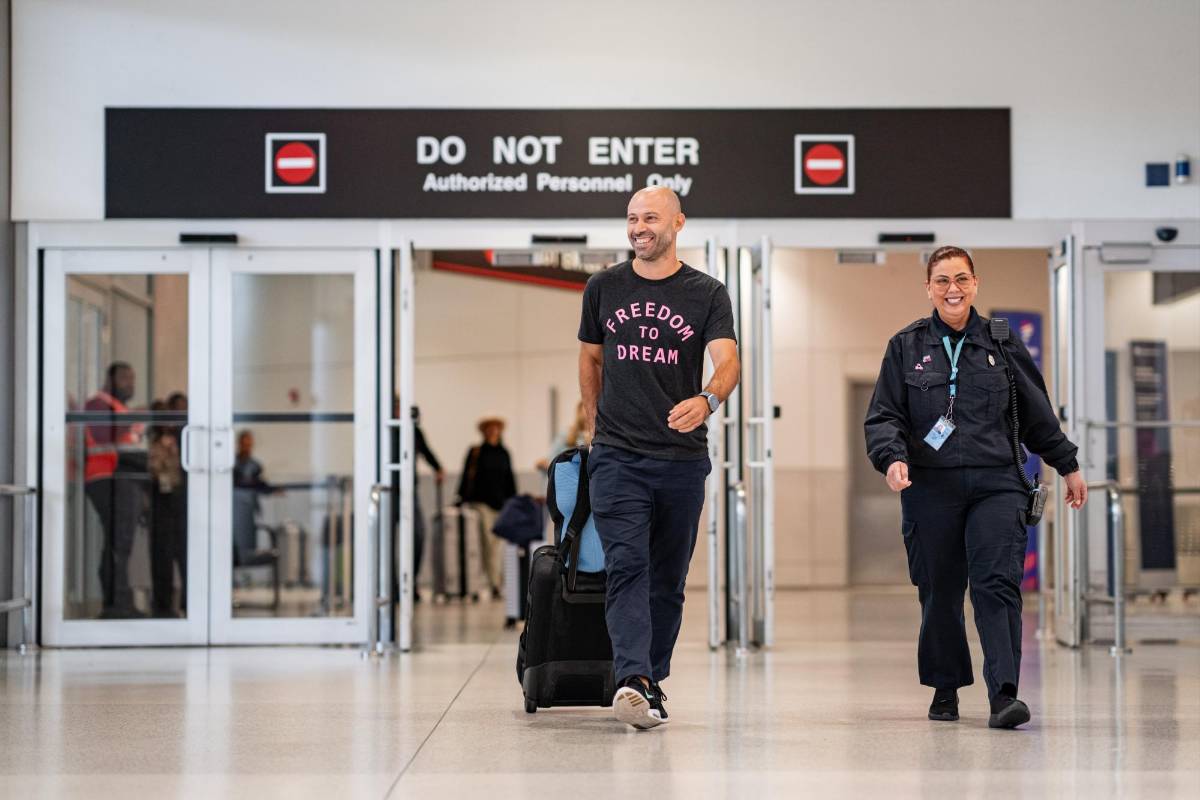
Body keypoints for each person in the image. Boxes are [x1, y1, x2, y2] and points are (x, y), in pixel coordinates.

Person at [864, 246, 1088, 730]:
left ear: (975, 283)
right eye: (942, 280)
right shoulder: (906, 345)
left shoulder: (1002, 343)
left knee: (996, 584)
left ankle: (1004, 693)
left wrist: (1067, 464)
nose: (952, 289)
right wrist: (892, 458)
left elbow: (1036, 413)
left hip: (996, 484)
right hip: (929, 486)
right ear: (928, 288)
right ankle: (946, 688)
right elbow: (885, 415)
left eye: (961, 279)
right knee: (940, 589)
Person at [578, 186, 739, 729]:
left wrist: (707, 398)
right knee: (628, 566)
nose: (638, 227)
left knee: (668, 579)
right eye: (631, 218)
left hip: (680, 461)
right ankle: (631, 679)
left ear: (678, 223)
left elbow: (728, 362)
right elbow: (591, 358)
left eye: (650, 217)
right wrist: (595, 424)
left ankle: (649, 679)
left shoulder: (707, 293)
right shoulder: (604, 287)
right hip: (618, 456)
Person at [84, 362, 147, 618]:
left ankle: (121, 601)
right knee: (118, 543)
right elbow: (102, 434)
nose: (130, 384)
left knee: (121, 543)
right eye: (124, 378)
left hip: (123, 479)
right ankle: (116, 604)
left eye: (132, 378)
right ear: (109, 380)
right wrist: (135, 418)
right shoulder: (98, 404)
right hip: (106, 478)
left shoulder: (119, 408)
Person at [455, 414, 516, 599]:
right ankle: (493, 584)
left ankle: (493, 581)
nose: (493, 431)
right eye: (489, 428)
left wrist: (513, 502)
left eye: (496, 427)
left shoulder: (504, 453)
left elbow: (509, 479)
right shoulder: (476, 452)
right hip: (481, 504)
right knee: (488, 545)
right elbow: (467, 476)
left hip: (501, 505)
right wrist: (462, 497)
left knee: (496, 546)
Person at [390, 401, 445, 604]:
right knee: (386, 543)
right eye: (396, 407)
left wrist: (438, 468)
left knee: (418, 536)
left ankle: (408, 583)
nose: (399, 411)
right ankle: (390, 586)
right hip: (387, 493)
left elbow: (426, 451)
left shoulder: (412, 431)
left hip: (408, 492)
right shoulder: (384, 428)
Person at [148, 392, 188, 616]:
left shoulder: (182, 439)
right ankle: (162, 604)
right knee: (162, 552)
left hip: (179, 498)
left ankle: (188, 601)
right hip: (160, 500)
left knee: (183, 551)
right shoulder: (153, 442)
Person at [232, 430, 278, 566]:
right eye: (244, 443)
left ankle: (244, 562)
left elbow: (259, 485)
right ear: (239, 444)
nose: (247, 447)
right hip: (235, 507)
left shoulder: (255, 466)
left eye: (249, 444)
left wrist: (273, 490)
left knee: (247, 539)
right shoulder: (232, 464)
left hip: (248, 508)